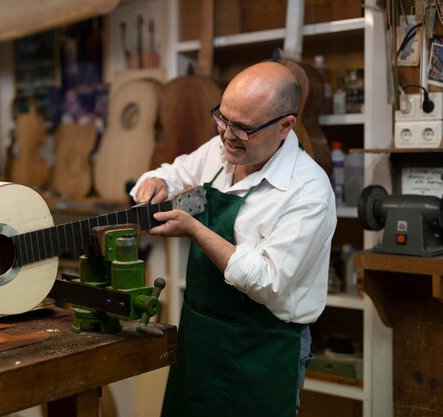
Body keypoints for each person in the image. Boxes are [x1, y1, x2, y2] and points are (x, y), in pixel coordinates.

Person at [130, 61, 337, 417]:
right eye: (222, 118)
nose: (226, 134)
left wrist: (195, 229)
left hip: (262, 349)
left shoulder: (308, 191)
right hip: (200, 337)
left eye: (242, 127)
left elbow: (267, 282)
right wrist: (157, 183)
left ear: (285, 126)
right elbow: (174, 173)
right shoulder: (221, 150)